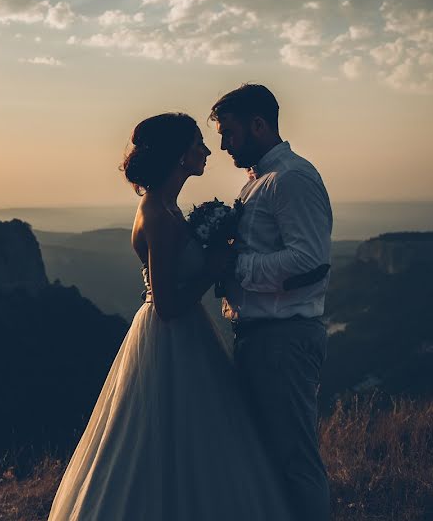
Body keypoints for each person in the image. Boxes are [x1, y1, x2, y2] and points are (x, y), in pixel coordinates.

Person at [47, 112, 292, 521]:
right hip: (168, 336)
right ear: (180, 155)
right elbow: (166, 304)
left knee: (194, 440)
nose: (206, 150)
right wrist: (213, 269)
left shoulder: (168, 208)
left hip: (187, 334)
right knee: (161, 439)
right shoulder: (158, 216)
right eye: (198, 143)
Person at [212, 83, 333, 521]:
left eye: (229, 132)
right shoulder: (260, 181)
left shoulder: (291, 179)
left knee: (295, 462)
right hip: (261, 337)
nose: (223, 144)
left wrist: (234, 269)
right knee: (267, 460)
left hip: (283, 338)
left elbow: (310, 261)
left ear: (258, 125)